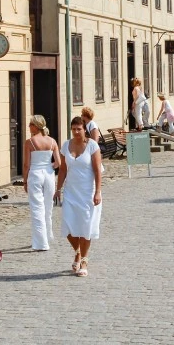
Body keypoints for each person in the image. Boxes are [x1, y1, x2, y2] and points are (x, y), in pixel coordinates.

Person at [56, 116, 103, 277]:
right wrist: (58, 189)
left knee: (85, 227)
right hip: (71, 191)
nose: (76, 132)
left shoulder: (92, 146)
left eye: (79, 129)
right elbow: (62, 169)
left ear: (84, 130)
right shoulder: (66, 145)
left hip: (87, 192)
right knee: (68, 226)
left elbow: (97, 170)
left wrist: (97, 192)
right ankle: (77, 250)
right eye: (73, 129)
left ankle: (84, 259)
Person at [22, 115, 61, 251]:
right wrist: (48, 166)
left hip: (35, 174)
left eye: (30, 124)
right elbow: (58, 163)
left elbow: (27, 164)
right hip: (49, 175)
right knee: (48, 206)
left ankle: (41, 243)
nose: (28, 126)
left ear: (35, 126)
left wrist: (25, 180)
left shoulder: (30, 142)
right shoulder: (52, 141)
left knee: (37, 207)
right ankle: (48, 235)